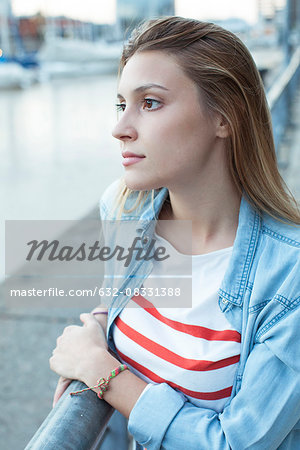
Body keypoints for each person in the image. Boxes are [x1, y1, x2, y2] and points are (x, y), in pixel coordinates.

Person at [49, 16, 300, 449]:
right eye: (120, 104)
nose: (120, 127)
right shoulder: (125, 209)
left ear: (224, 118)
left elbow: (237, 443)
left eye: (150, 103)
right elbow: (117, 301)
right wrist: (96, 327)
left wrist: (102, 374)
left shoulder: (288, 276)